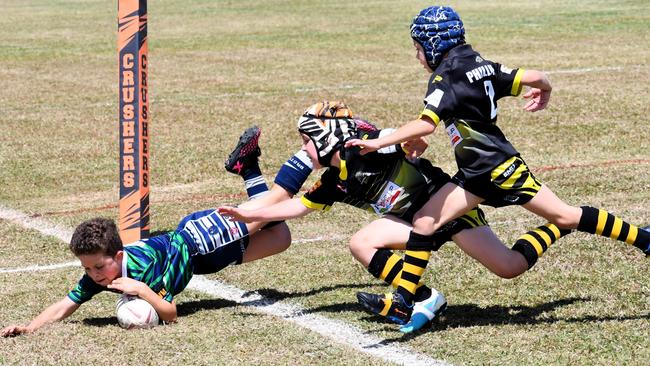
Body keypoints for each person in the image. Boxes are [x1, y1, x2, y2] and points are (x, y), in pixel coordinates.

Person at [344, 5, 650, 326]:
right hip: (479, 173)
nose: (417, 55)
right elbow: (532, 76)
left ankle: (643, 239)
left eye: (418, 48)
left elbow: (426, 124)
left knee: (567, 215)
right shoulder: (480, 64)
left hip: (498, 170)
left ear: (434, 44)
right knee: (425, 222)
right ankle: (404, 300)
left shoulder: (445, 77)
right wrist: (545, 89)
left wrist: (377, 142)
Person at [218, 101, 574, 333]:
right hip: (412, 225)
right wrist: (249, 213)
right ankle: (422, 296)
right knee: (361, 242)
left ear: (327, 136)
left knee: (509, 266)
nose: (303, 149)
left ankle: (557, 227)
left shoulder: (370, 146)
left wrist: (412, 144)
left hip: (448, 209)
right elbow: (295, 207)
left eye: (306, 140)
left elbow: (405, 137)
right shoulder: (332, 183)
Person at [0, 129, 292, 337]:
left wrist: (142, 291)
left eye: (98, 266)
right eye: (87, 269)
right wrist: (29, 327)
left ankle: (310, 167)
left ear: (118, 255)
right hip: (203, 261)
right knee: (281, 237)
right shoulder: (102, 275)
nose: (94, 275)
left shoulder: (143, 266)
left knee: (275, 205)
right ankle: (247, 166)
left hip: (202, 240)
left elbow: (170, 313)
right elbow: (65, 305)